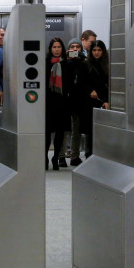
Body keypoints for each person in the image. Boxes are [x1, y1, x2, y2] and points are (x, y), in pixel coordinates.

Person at [45, 37, 73, 171]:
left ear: (63, 48)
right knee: (46, 132)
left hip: (63, 102)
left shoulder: (68, 64)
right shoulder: (45, 63)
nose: (56, 49)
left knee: (60, 132)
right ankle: (44, 157)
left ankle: (56, 157)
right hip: (48, 102)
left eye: (59, 47)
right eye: (54, 47)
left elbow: (71, 83)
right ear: (50, 49)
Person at [79, 39, 110, 160]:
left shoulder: (107, 66)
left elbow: (109, 85)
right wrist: (89, 90)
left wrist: (106, 100)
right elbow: (81, 83)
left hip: (104, 101)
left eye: (99, 50)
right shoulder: (85, 64)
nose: (96, 53)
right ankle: (89, 153)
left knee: (102, 129)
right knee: (90, 129)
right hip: (90, 102)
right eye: (94, 50)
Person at [62, 37, 87, 168]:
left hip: (78, 101)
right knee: (63, 129)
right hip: (65, 99)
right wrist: (66, 60)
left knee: (76, 130)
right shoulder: (63, 62)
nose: (75, 49)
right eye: (72, 47)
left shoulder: (84, 62)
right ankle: (61, 156)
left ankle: (74, 156)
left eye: (77, 47)